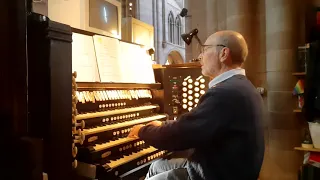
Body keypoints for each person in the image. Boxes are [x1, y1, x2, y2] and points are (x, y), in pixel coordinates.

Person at [128, 30, 265, 180]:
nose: (200, 56)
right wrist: (162, 124)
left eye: (205, 50)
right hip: (222, 167)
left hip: (215, 175)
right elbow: (196, 124)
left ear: (223, 54)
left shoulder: (225, 93)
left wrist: (143, 131)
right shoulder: (241, 86)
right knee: (156, 166)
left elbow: (179, 135)